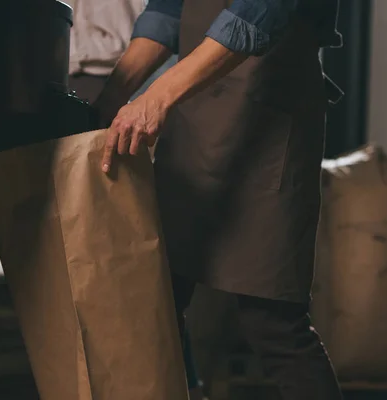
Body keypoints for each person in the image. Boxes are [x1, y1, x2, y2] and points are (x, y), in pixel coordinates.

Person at [94, 0, 344, 398]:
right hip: (194, 121)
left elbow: (263, 10)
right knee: (158, 299)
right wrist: (113, 95)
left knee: (272, 322)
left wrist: (157, 94)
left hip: (269, 123)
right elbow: (169, 10)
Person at [67, 1, 206, 399]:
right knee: (81, 264)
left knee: (143, 264)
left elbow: (167, 14)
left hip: (139, 74)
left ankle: (184, 387)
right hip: (67, 78)